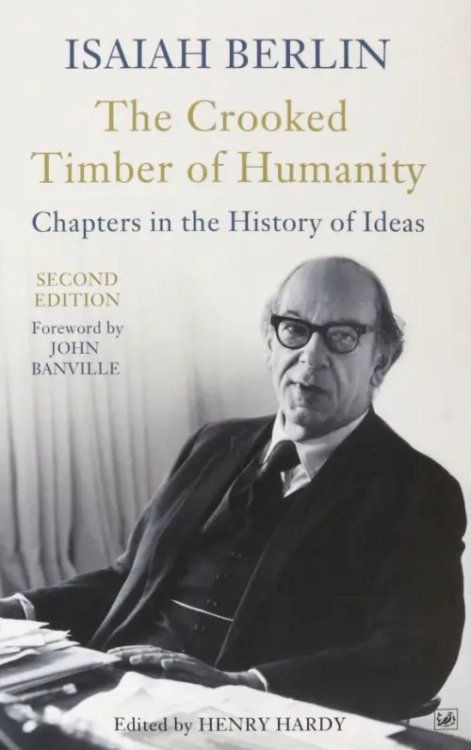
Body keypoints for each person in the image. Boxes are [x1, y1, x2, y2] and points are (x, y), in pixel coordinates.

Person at [0, 257, 465, 721]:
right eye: (294, 329)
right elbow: (129, 578)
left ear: (380, 361)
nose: (311, 356)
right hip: (109, 690)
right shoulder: (213, 443)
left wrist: (247, 685)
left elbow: (413, 656)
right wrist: (19, 609)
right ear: (270, 342)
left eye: (342, 336)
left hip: (244, 723)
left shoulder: (419, 490)